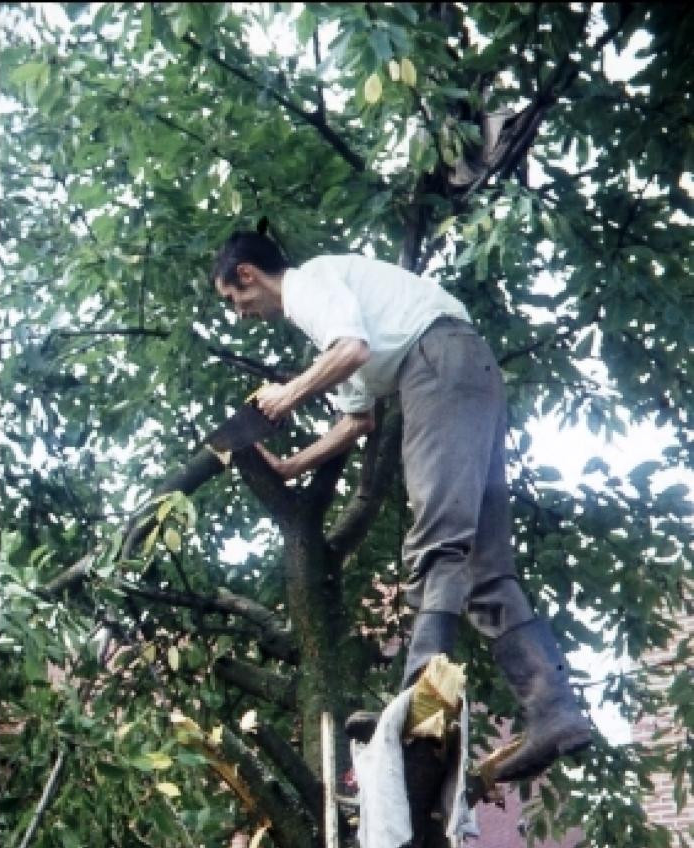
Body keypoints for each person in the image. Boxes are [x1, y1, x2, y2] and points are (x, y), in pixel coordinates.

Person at [211, 230, 593, 785]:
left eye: (233, 300)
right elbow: (357, 421)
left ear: (248, 274)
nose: (239, 315)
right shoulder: (342, 307)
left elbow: (351, 351)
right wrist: (292, 467)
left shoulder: (309, 286)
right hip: (464, 369)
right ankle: (554, 712)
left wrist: (287, 394)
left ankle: (420, 708)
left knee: (436, 542)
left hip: (435, 365)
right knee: (487, 570)